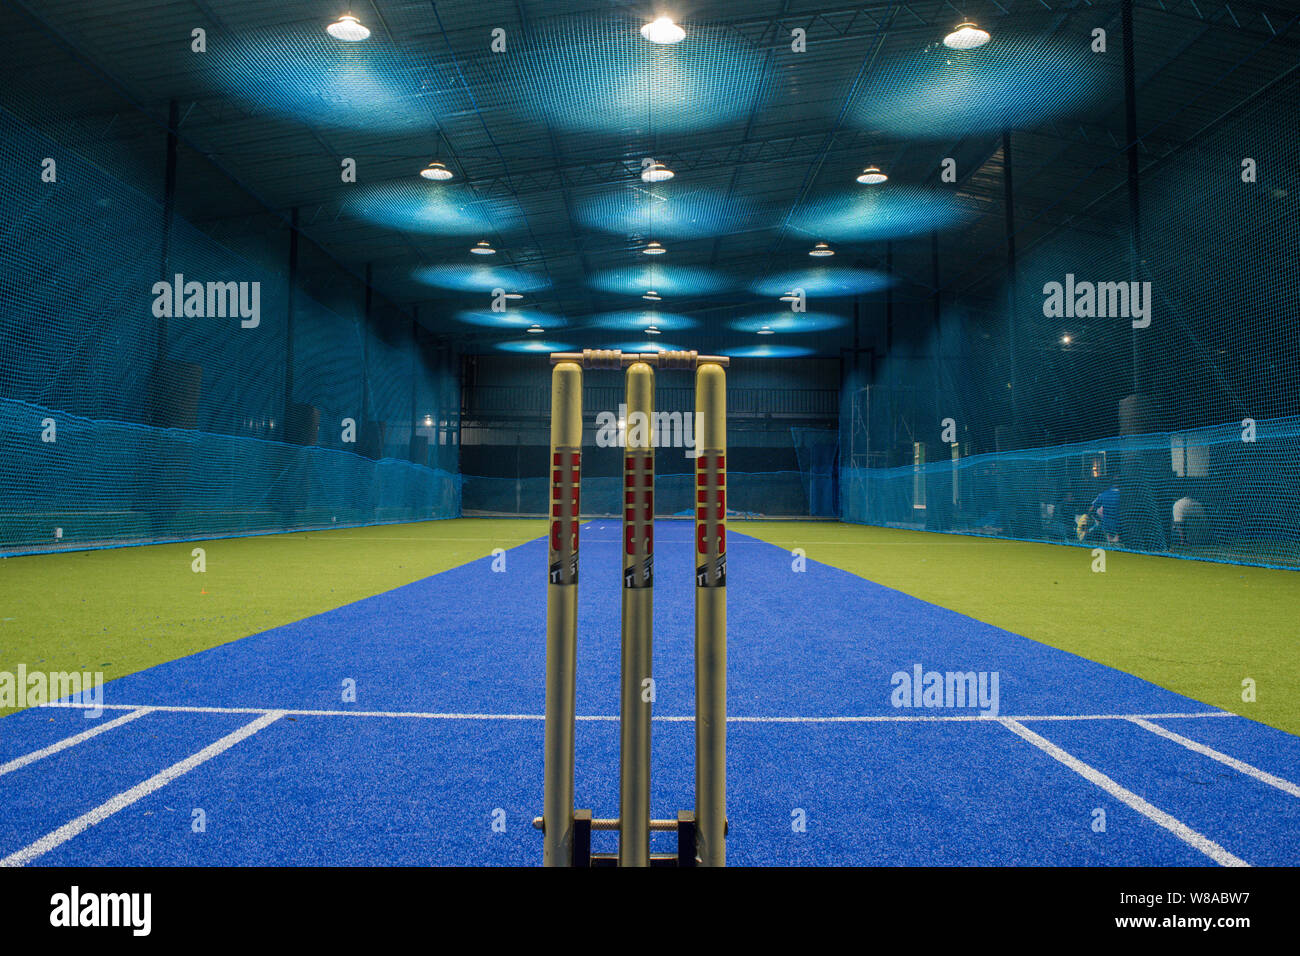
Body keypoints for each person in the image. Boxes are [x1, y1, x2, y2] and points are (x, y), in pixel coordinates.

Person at [1087, 476, 1121, 544]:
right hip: (1120, 525)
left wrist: (1099, 520)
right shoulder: (1124, 494)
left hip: (1106, 524)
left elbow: (1090, 510)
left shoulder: (1104, 494)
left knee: (1109, 545)